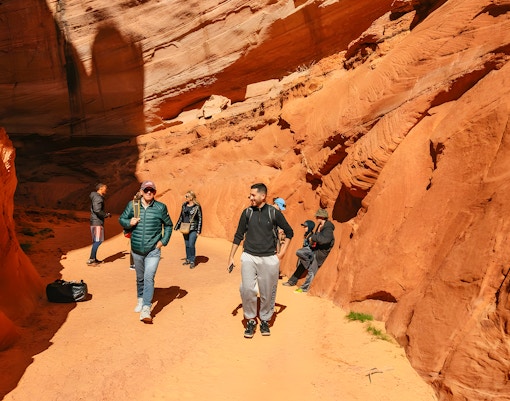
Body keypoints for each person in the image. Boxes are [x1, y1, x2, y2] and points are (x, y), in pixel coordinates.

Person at [227, 183, 294, 338]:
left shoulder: (273, 213)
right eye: (250, 195)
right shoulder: (247, 213)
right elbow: (238, 234)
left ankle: (264, 319)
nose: (250, 197)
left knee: (267, 292)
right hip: (249, 256)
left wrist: (282, 253)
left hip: (269, 258)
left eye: (252, 195)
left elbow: (290, 232)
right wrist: (231, 256)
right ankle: (250, 319)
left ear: (262, 196)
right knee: (247, 289)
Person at [119, 180, 173, 323]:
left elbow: (168, 225)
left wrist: (162, 242)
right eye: (146, 190)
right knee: (140, 277)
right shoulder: (133, 205)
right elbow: (122, 219)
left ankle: (146, 308)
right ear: (141, 191)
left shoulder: (161, 208)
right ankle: (140, 299)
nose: (149, 192)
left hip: (153, 250)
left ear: (155, 192)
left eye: (152, 190)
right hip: (136, 250)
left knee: (149, 277)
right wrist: (128, 222)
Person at [282, 208, 335, 293]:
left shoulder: (328, 227)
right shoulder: (320, 225)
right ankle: (292, 281)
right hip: (315, 249)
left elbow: (326, 240)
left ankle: (303, 288)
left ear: (322, 217)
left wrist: (313, 238)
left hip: (320, 253)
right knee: (300, 252)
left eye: (317, 216)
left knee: (311, 271)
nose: (316, 218)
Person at [175, 190, 202, 269]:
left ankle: (192, 260)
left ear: (191, 197)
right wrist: (177, 226)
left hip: (193, 228)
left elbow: (200, 218)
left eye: (187, 196)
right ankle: (188, 259)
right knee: (187, 245)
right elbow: (181, 216)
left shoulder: (197, 207)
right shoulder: (184, 205)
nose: (185, 197)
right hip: (185, 227)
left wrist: (198, 231)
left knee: (191, 244)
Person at [87, 183, 111, 265]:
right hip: (97, 222)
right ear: (100, 188)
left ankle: (94, 258)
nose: (106, 190)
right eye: (105, 188)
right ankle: (91, 259)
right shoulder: (98, 198)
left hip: (95, 221)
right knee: (98, 241)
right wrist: (106, 215)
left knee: (96, 241)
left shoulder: (95, 197)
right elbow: (97, 210)